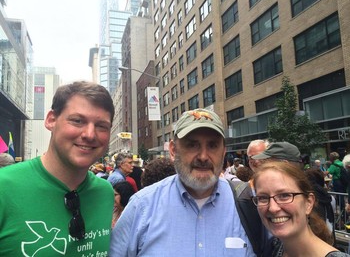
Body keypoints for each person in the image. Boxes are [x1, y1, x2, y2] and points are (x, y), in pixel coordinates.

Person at [110, 108, 272, 256]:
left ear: (223, 152)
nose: (203, 156)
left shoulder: (252, 202)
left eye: (212, 145)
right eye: (192, 145)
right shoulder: (142, 206)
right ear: (173, 150)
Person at [0, 81, 115, 256]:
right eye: (77, 121)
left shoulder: (105, 192)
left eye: (101, 126)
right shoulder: (4, 187)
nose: (90, 134)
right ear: (51, 120)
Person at [252, 161, 348, 257]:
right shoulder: (273, 248)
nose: (273, 208)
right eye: (263, 198)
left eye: (284, 195)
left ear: (309, 203)